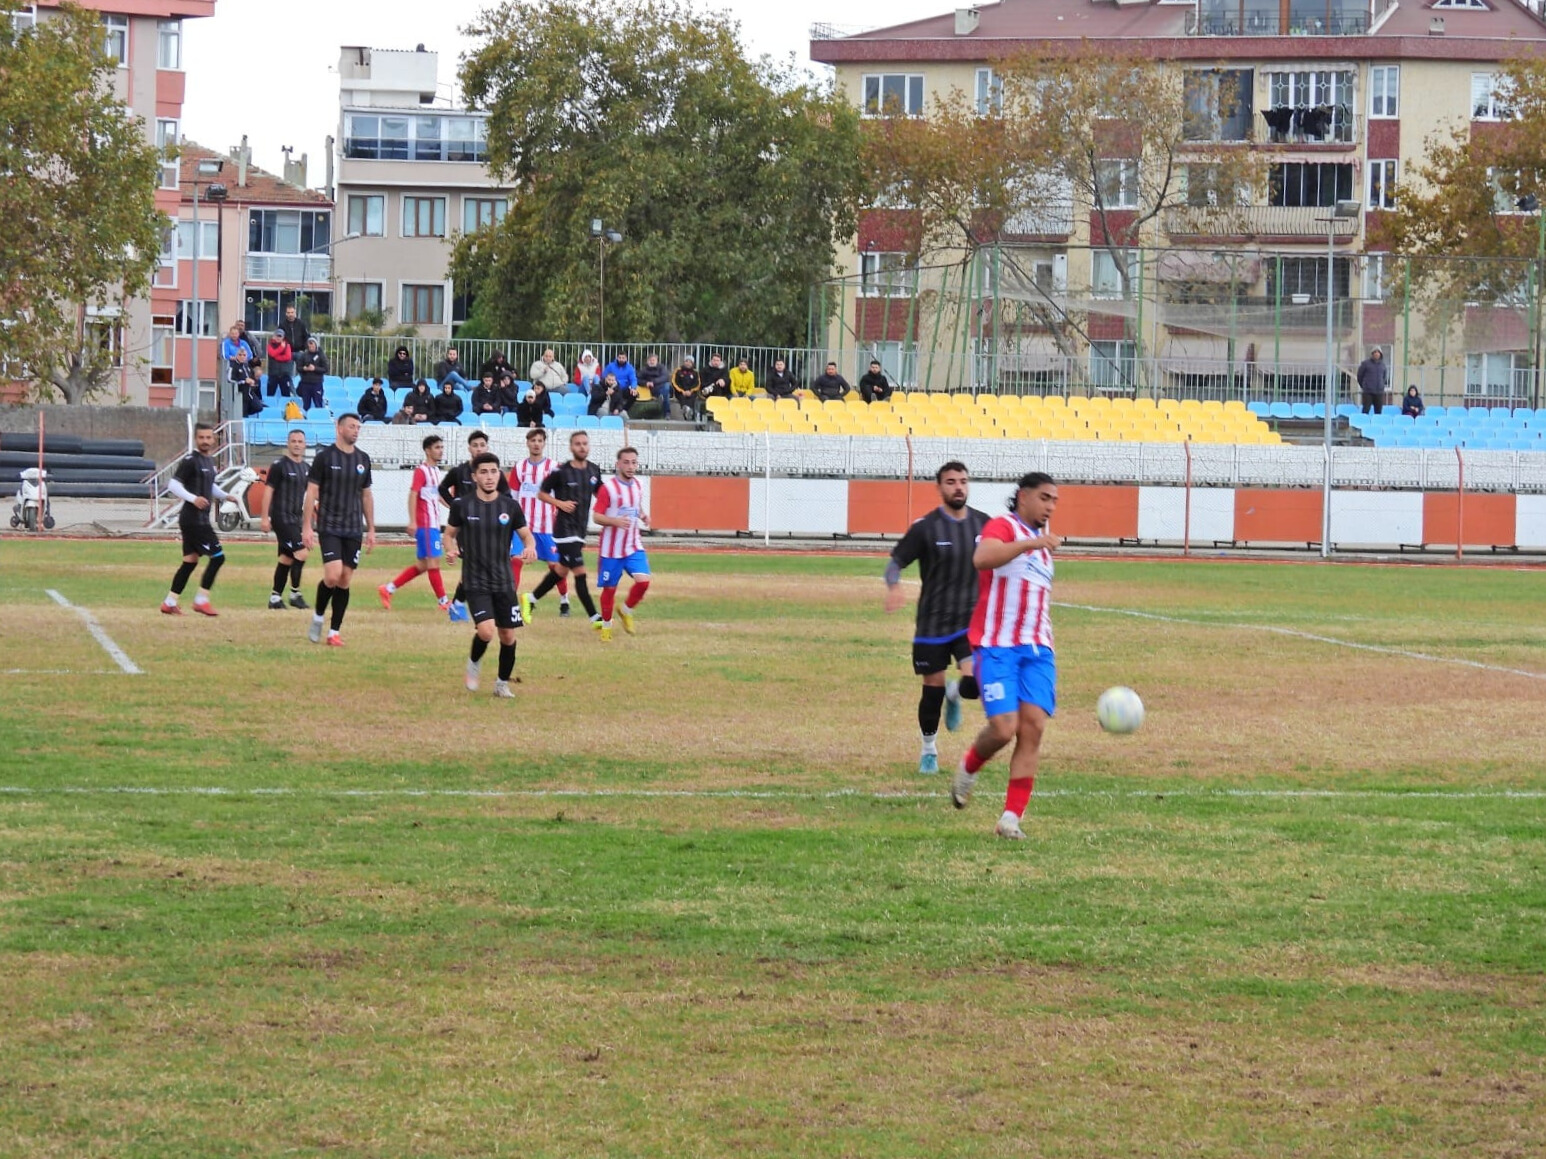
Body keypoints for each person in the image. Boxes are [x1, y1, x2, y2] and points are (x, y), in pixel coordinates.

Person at [950, 472, 1062, 841]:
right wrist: (1028, 545)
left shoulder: (1043, 546)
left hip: (1038, 650)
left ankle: (1010, 818)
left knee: (1033, 729)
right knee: (1003, 728)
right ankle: (969, 767)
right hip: (997, 646)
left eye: (1054, 501)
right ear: (1024, 497)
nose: (1050, 506)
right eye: (1045, 498)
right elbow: (982, 558)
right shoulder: (1005, 526)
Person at [884, 462, 988, 774]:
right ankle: (929, 750)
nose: (959, 487)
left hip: (971, 622)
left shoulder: (985, 524)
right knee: (932, 691)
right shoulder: (925, 528)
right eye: (951, 482)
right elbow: (895, 562)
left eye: (963, 481)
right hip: (932, 623)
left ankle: (955, 694)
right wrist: (893, 586)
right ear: (940, 488)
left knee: (978, 681)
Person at [445, 452, 536, 699]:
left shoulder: (510, 506)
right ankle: (474, 664)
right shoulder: (462, 505)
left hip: (504, 580)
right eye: (483, 472)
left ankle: (501, 684)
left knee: (508, 636)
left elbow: (526, 535)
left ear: (499, 474)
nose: (489, 476)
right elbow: (449, 534)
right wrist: (450, 549)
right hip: (475, 580)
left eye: (493, 471)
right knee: (486, 632)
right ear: (474, 476)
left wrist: (530, 546)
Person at [302, 413, 376, 647]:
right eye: (352, 426)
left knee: (344, 580)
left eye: (358, 427)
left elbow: (366, 495)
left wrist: (371, 529)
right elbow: (312, 492)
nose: (356, 430)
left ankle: (334, 632)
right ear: (339, 428)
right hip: (330, 526)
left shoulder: (363, 459)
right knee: (332, 575)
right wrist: (307, 526)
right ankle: (318, 616)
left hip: (353, 528)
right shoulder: (324, 457)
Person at [529, 430, 604, 625]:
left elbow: (602, 494)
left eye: (585, 443)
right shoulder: (561, 472)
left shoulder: (594, 471)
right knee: (580, 571)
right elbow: (542, 494)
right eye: (578, 444)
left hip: (580, 530)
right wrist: (560, 504)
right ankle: (594, 617)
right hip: (564, 530)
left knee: (561, 571)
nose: (582, 447)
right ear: (571, 447)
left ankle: (530, 599)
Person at [438, 429, 512, 621]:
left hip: (490, 527)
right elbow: (442, 488)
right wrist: (454, 503)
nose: (479, 449)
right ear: (469, 448)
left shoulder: (495, 474)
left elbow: (507, 497)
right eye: (475, 445)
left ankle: (460, 604)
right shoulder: (460, 471)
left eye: (482, 445)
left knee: (479, 565)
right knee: (473, 563)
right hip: (467, 527)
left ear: (487, 447)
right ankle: (458, 605)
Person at [159, 422, 229, 617]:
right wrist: (193, 498)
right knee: (218, 557)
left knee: (190, 561)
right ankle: (201, 600)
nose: (205, 441)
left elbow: (210, 486)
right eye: (201, 438)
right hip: (194, 520)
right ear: (196, 439)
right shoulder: (191, 460)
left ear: (214, 439)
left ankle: (169, 602)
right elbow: (173, 484)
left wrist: (225, 496)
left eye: (208, 438)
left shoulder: (210, 462)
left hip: (197, 519)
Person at [379, 434, 451, 614]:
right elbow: (413, 494)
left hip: (433, 524)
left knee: (422, 566)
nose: (440, 450)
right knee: (433, 562)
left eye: (441, 447)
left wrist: (455, 507)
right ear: (427, 450)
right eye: (437, 447)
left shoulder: (436, 471)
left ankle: (388, 589)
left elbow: (437, 495)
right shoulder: (422, 471)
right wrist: (412, 520)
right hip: (425, 525)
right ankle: (444, 601)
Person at [592, 446, 652, 643]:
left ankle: (626, 611)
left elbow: (636, 506)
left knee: (643, 581)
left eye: (634, 462)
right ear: (618, 464)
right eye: (626, 462)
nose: (630, 466)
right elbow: (597, 516)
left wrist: (643, 515)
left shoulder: (639, 485)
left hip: (633, 545)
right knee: (609, 590)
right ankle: (607, 627)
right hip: (612, 549)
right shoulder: (608, 489)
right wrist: (616, 521)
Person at [511, 426, 571, 619]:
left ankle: (564, 601)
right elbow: (512, 497)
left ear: (544, 443)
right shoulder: (519, 467)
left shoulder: (554, 468)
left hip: (547, 526)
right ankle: (511, 603)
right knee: (516, 561)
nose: (536, 444)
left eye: (539, 441)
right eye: (533, 440)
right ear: (527, 443)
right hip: (523, 527)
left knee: (555, 567)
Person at [261, 428, 312, 610]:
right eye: (294, 441)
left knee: (286, 559)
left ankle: (275, 598)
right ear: (288, 444)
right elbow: (268, 491)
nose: (297, 444)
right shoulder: (279, 465)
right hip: (281, 517)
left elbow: (310, 493)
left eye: (300, 441)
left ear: (305, 445)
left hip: (295, 518)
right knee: (302, 552)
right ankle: (295, 594)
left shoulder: (306, 468)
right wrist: (265, 517)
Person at [295, 338, 328, 411]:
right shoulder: (304, 355)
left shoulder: (321, 355)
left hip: (317, 383)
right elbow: (298, 367)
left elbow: (325, 369)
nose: (311, 347)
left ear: (316, 345)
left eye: (312, 345)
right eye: (309, 346)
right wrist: (304, 368)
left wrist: (315, 368)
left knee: (318, 403)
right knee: (306, 405)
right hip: (305, 383)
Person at [1357, 348, 1388, 415]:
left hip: (1379, 391)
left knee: (1378, 411)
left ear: (1380, 354)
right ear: (1372, 354)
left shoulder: (1383, 365)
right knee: (1366, 410)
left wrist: (1381, 385)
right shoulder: (1365, 364)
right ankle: (1364, 424)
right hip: (1368, 391)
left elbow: (1384, 377)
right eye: (1375, 352)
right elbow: (1359, 376)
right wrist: (1364, 386)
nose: (1376, 353)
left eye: (1378, 352)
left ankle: (1377, 425)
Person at [671, 356, 701, 421]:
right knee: (682, 397)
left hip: (691, 392)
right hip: (680, 392)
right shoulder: (678, 371)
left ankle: (689, 414)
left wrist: (691, 391)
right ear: (684, 362)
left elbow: (697, 384)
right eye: (686, 361)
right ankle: (687, 412)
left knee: (692, 398)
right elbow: (674, 382)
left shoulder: (695, 372)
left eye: (690, 362)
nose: (688, 363)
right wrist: (682, 391)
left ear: (692, 363)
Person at [265, 330, 294, 397]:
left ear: (283, 337)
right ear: (274, 336)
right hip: (273, 374)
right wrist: (281, 348)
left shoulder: (287, 345)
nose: (278, 337)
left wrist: (276, 357)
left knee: (286, 395)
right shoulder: (270, 345)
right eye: (277, 335)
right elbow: (272, 353)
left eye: (280, 336)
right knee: (270, 395)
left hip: (284, 374)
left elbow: (288, 357)